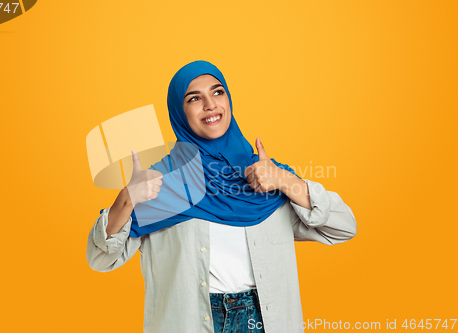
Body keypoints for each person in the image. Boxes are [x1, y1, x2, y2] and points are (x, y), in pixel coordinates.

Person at [86, 60, 357, 333]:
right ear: (179, 113)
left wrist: (286, 181)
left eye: (218, 92)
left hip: (265, 322)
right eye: (194, 98)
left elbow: (343, 227)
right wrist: (126, 199)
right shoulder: (161, 184)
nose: (210, 104)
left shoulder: (266, 177)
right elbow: (101, 259)